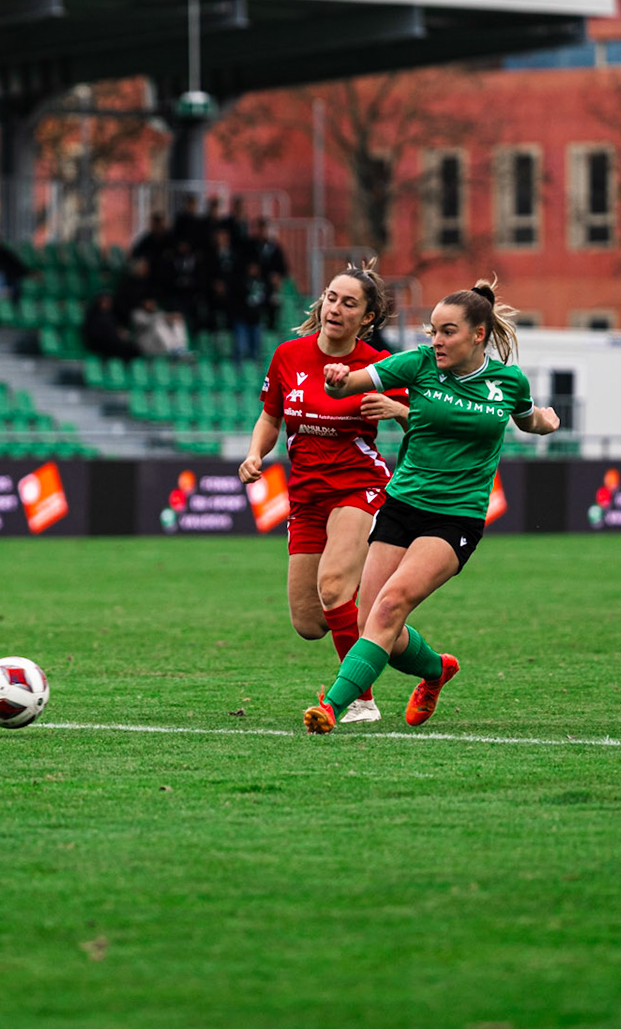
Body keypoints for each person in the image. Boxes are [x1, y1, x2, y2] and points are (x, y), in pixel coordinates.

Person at [301, 278, 562, 735]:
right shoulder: (419, 364)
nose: (436, 341)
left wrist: (546, 421)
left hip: (456, 517)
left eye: (448, 332)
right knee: (374, 622)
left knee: (388, 608)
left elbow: (529, 418)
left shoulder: (508, 382)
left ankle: (332, 705)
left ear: (477, 334)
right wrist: (340, 379)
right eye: (433, 331)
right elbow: (352, 386)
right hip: (402, 505)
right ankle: (436, 671)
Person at [240, 263, 408, 725]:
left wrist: (396, 408)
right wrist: (256, 453)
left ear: (367, 317)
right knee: (310, 622)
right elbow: (270, 417)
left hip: (359, 485)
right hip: (306, 495)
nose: (335, 307)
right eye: (331, 297)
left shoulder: (378, 365)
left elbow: (425, 423)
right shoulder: (288, 355)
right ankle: (398, 638)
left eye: (348, 302)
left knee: (334, 588)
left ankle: (360, 700)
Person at [83, 291, 140, 360]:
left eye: (108, 301)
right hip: (100, 343)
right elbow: (94, 333)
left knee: (133, 348)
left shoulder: (111, 314)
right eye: (104, 301)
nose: (106, 304)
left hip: (112, 341)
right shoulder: (93, 315)